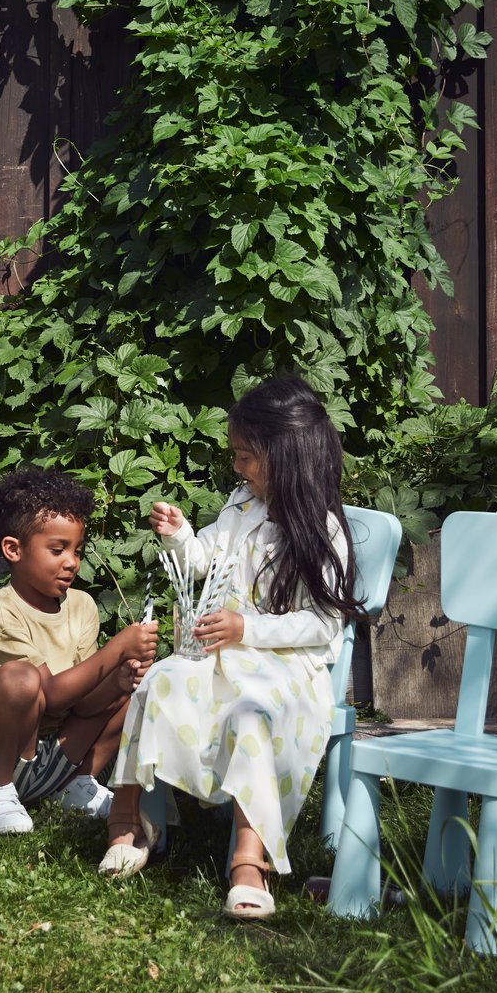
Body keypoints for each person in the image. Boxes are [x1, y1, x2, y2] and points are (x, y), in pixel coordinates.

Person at [99, 374, 358, 920]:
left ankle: (249, 858)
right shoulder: (241, 505)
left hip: (286, 670)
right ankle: (129, 821)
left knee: (249, 713)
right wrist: (180, 536)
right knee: (160, 680)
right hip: (225, 659)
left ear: (284, 457)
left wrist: (249, 629)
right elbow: (205, 564)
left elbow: (323, 626)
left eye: (246, 457)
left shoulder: (319, 527)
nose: (237, 469)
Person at [0, 467, 159, 837]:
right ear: (13, 549)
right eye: (57, 549)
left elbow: (84, 704)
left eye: (77, 551)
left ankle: (78, 785)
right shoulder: (0, 612)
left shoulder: (81, 607)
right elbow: (48, 695)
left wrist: (119, 680)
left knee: (132, 686)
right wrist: (115, 649)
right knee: (21, 679)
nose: (72, 562)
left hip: (55, 752)